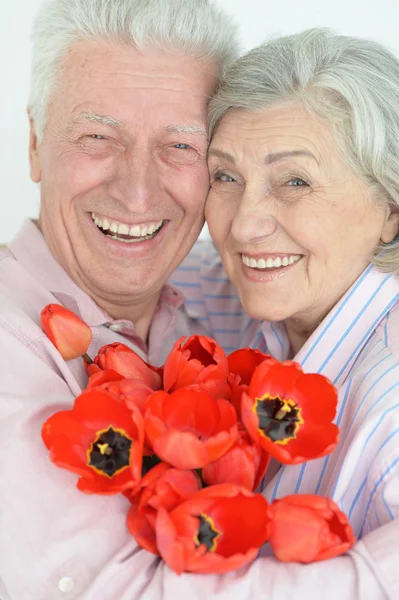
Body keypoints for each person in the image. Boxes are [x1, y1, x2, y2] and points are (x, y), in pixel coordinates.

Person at [0, 0, 240, 597]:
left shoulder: (227, 297)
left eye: (181, 147)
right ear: (34, 143)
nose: (137, 193)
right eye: (98, 138)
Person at [170, 27, 399, 599]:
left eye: (294, 181)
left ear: (390, 210)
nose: (244, 225)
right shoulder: (257, 291)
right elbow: (133, 270)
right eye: (225, 176)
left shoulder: (389, 418)